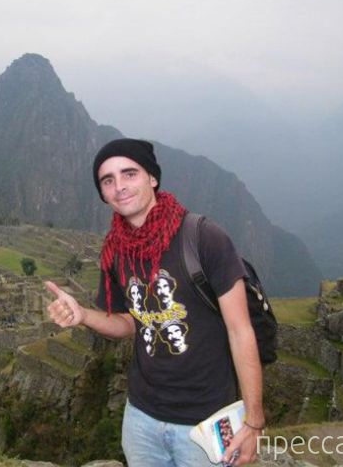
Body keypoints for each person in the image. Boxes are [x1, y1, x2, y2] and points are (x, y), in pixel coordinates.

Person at [45, 138, 265, 467]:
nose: (120, 186)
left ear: (152, 178)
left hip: (205, 420)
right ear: (103, 194)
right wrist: (83, 315)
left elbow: (240, 330)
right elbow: (129, 322)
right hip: (141, 418)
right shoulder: (115, 250)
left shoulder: (204, 238)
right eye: (108, 180)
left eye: (129, 173)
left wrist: (254, 420)